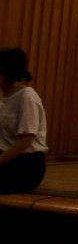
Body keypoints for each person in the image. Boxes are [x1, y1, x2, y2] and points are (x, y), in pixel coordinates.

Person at [0, 48, 46, 194]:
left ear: (5, 73)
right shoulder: (6, 99)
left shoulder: (27, 97)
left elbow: (25, 141)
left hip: (25, 166)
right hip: (8, 159)